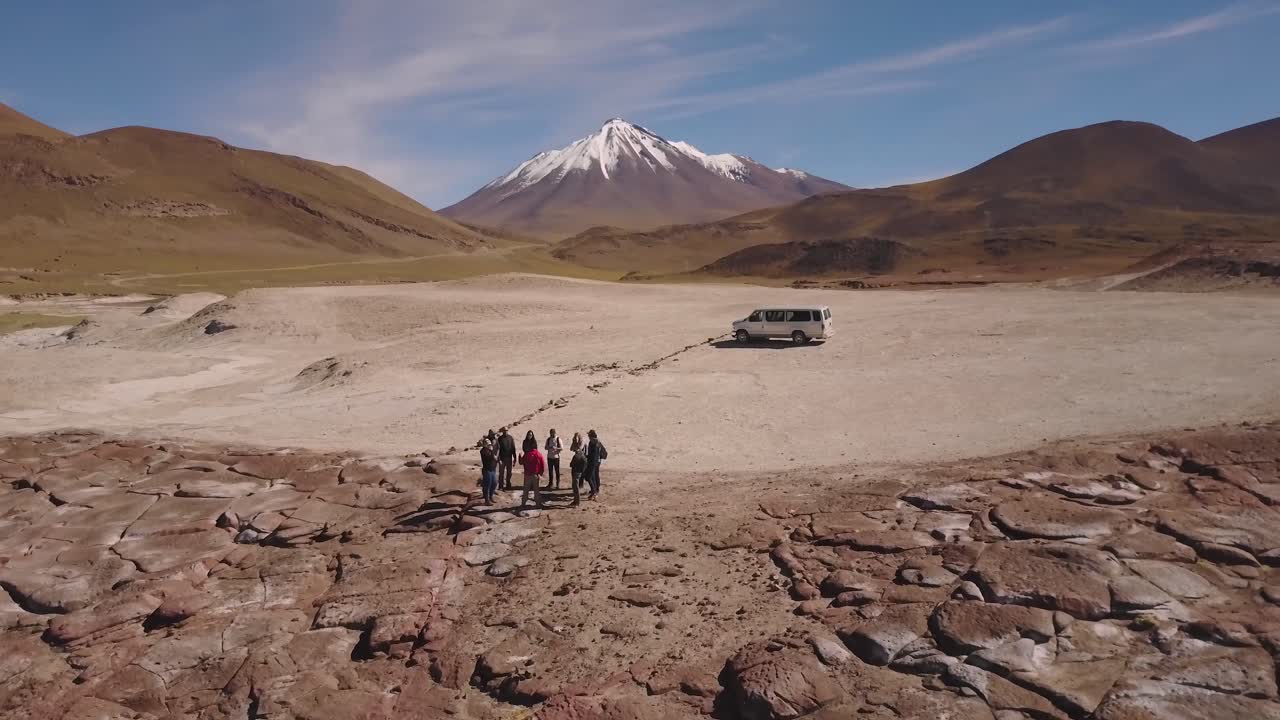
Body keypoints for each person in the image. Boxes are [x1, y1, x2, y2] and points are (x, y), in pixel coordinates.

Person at [520, 444, 546, 508]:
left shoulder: (527, 454)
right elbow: (542, 464)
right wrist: (541, 473)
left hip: (527, 475)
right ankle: (537, 503)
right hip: (535, 475)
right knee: (536, 490)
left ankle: (523, 503)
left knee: (526, 489)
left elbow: (521, 462)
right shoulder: (539, 454)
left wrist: (520, 456)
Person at [584, 429, 607, 500]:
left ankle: (594, 491)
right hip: (596, 461)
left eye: (589, 435)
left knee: (589, 476)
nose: (588, 437)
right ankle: (595, 489)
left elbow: (594, 455)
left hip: (593, 462)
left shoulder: (594, 443)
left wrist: (588, 459)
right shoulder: (596, 442)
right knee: (594, 475)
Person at [478, 437, 498, 505]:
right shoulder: (483, 451)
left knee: (494, 483)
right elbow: (489, 457)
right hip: (487, 470)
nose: (489, 445)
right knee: (487, 485)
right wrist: (492, 452)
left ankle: (491, 496)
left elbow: (495, 458)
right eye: (487, 444)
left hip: (492, 469)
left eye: (489, 444)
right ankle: (487, 500)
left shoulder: (490, 450)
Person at [568, 432, 585, 506]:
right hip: (578, 471)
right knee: (575, 487)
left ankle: (577, 502)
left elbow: (571, 464)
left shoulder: (577, 456)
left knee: (575, 487)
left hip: (576, 472)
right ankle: (576, 501)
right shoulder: (581, 454)